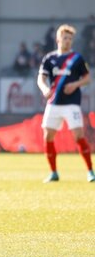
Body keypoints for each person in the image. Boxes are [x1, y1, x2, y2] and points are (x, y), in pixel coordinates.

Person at [36, 24, 95, 183]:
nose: (67, 41)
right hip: (54, 103)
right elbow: (41, 78)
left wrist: (75, 85)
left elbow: (87, 78)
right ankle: (53, 172)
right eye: (65, 38)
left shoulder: (77, 59)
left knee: (78, 136)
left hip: (72, 103)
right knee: (48, 136)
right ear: (58, 39)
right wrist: (44, 89)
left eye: (70, 38)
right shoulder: (49, 58)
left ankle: (90, 171)